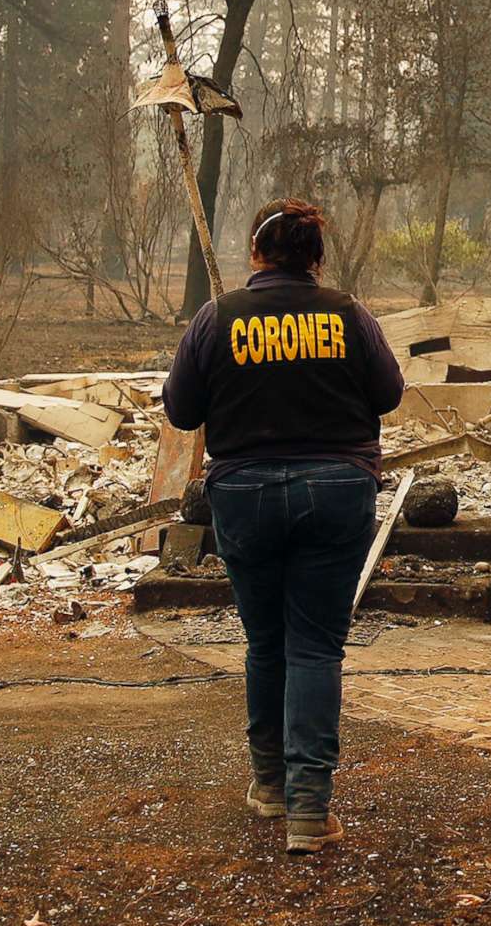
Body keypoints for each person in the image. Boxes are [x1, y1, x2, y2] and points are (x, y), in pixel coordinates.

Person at [162, 199, 404, 853]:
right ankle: (308, 808)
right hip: (335, 492)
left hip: (244, 495)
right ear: (315, 257)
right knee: (316, 647)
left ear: (256, 253)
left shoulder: (218, 318)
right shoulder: (349, 315)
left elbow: (182, 410)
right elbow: (388, 393)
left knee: (266, 642)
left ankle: (269, 783)